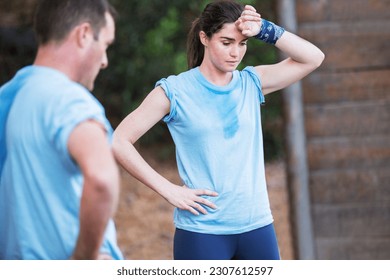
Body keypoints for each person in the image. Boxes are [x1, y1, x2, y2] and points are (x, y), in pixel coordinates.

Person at [113, 0, 324, 260]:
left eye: (242, 43)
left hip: (257, 227)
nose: (235, 52)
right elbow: (120, 141)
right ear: (204, 37)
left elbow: (314, 58)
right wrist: (168, 190)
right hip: (202, 232)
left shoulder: (252, 83)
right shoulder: (175, 91)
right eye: (226, 42)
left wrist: (264, 29)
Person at [0, 0, 123, 260]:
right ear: (84, 34)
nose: (104, 61)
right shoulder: (67, 98)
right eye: (105, 45)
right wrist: (83, 261)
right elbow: (102, 180)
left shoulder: (10, 95)